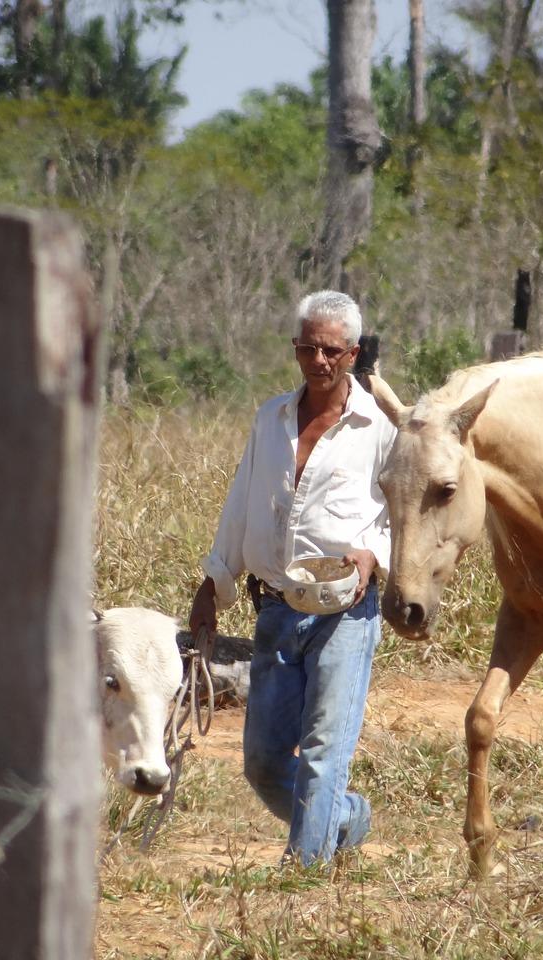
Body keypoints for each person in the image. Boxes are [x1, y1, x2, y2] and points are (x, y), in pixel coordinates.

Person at [188, 290, 396, 867]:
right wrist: (214, 584)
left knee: (326, 750)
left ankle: (301, 871)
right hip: (277, 608)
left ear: (353, 353)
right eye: (308, 348)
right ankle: (348, 817)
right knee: (263, 762)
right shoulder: (272, 418)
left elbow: (401, 514)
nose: (319, 361)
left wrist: (371, 556)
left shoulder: (378, 429)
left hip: (346, 612)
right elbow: (242, 504)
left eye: (332, 350)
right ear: (296, 350)